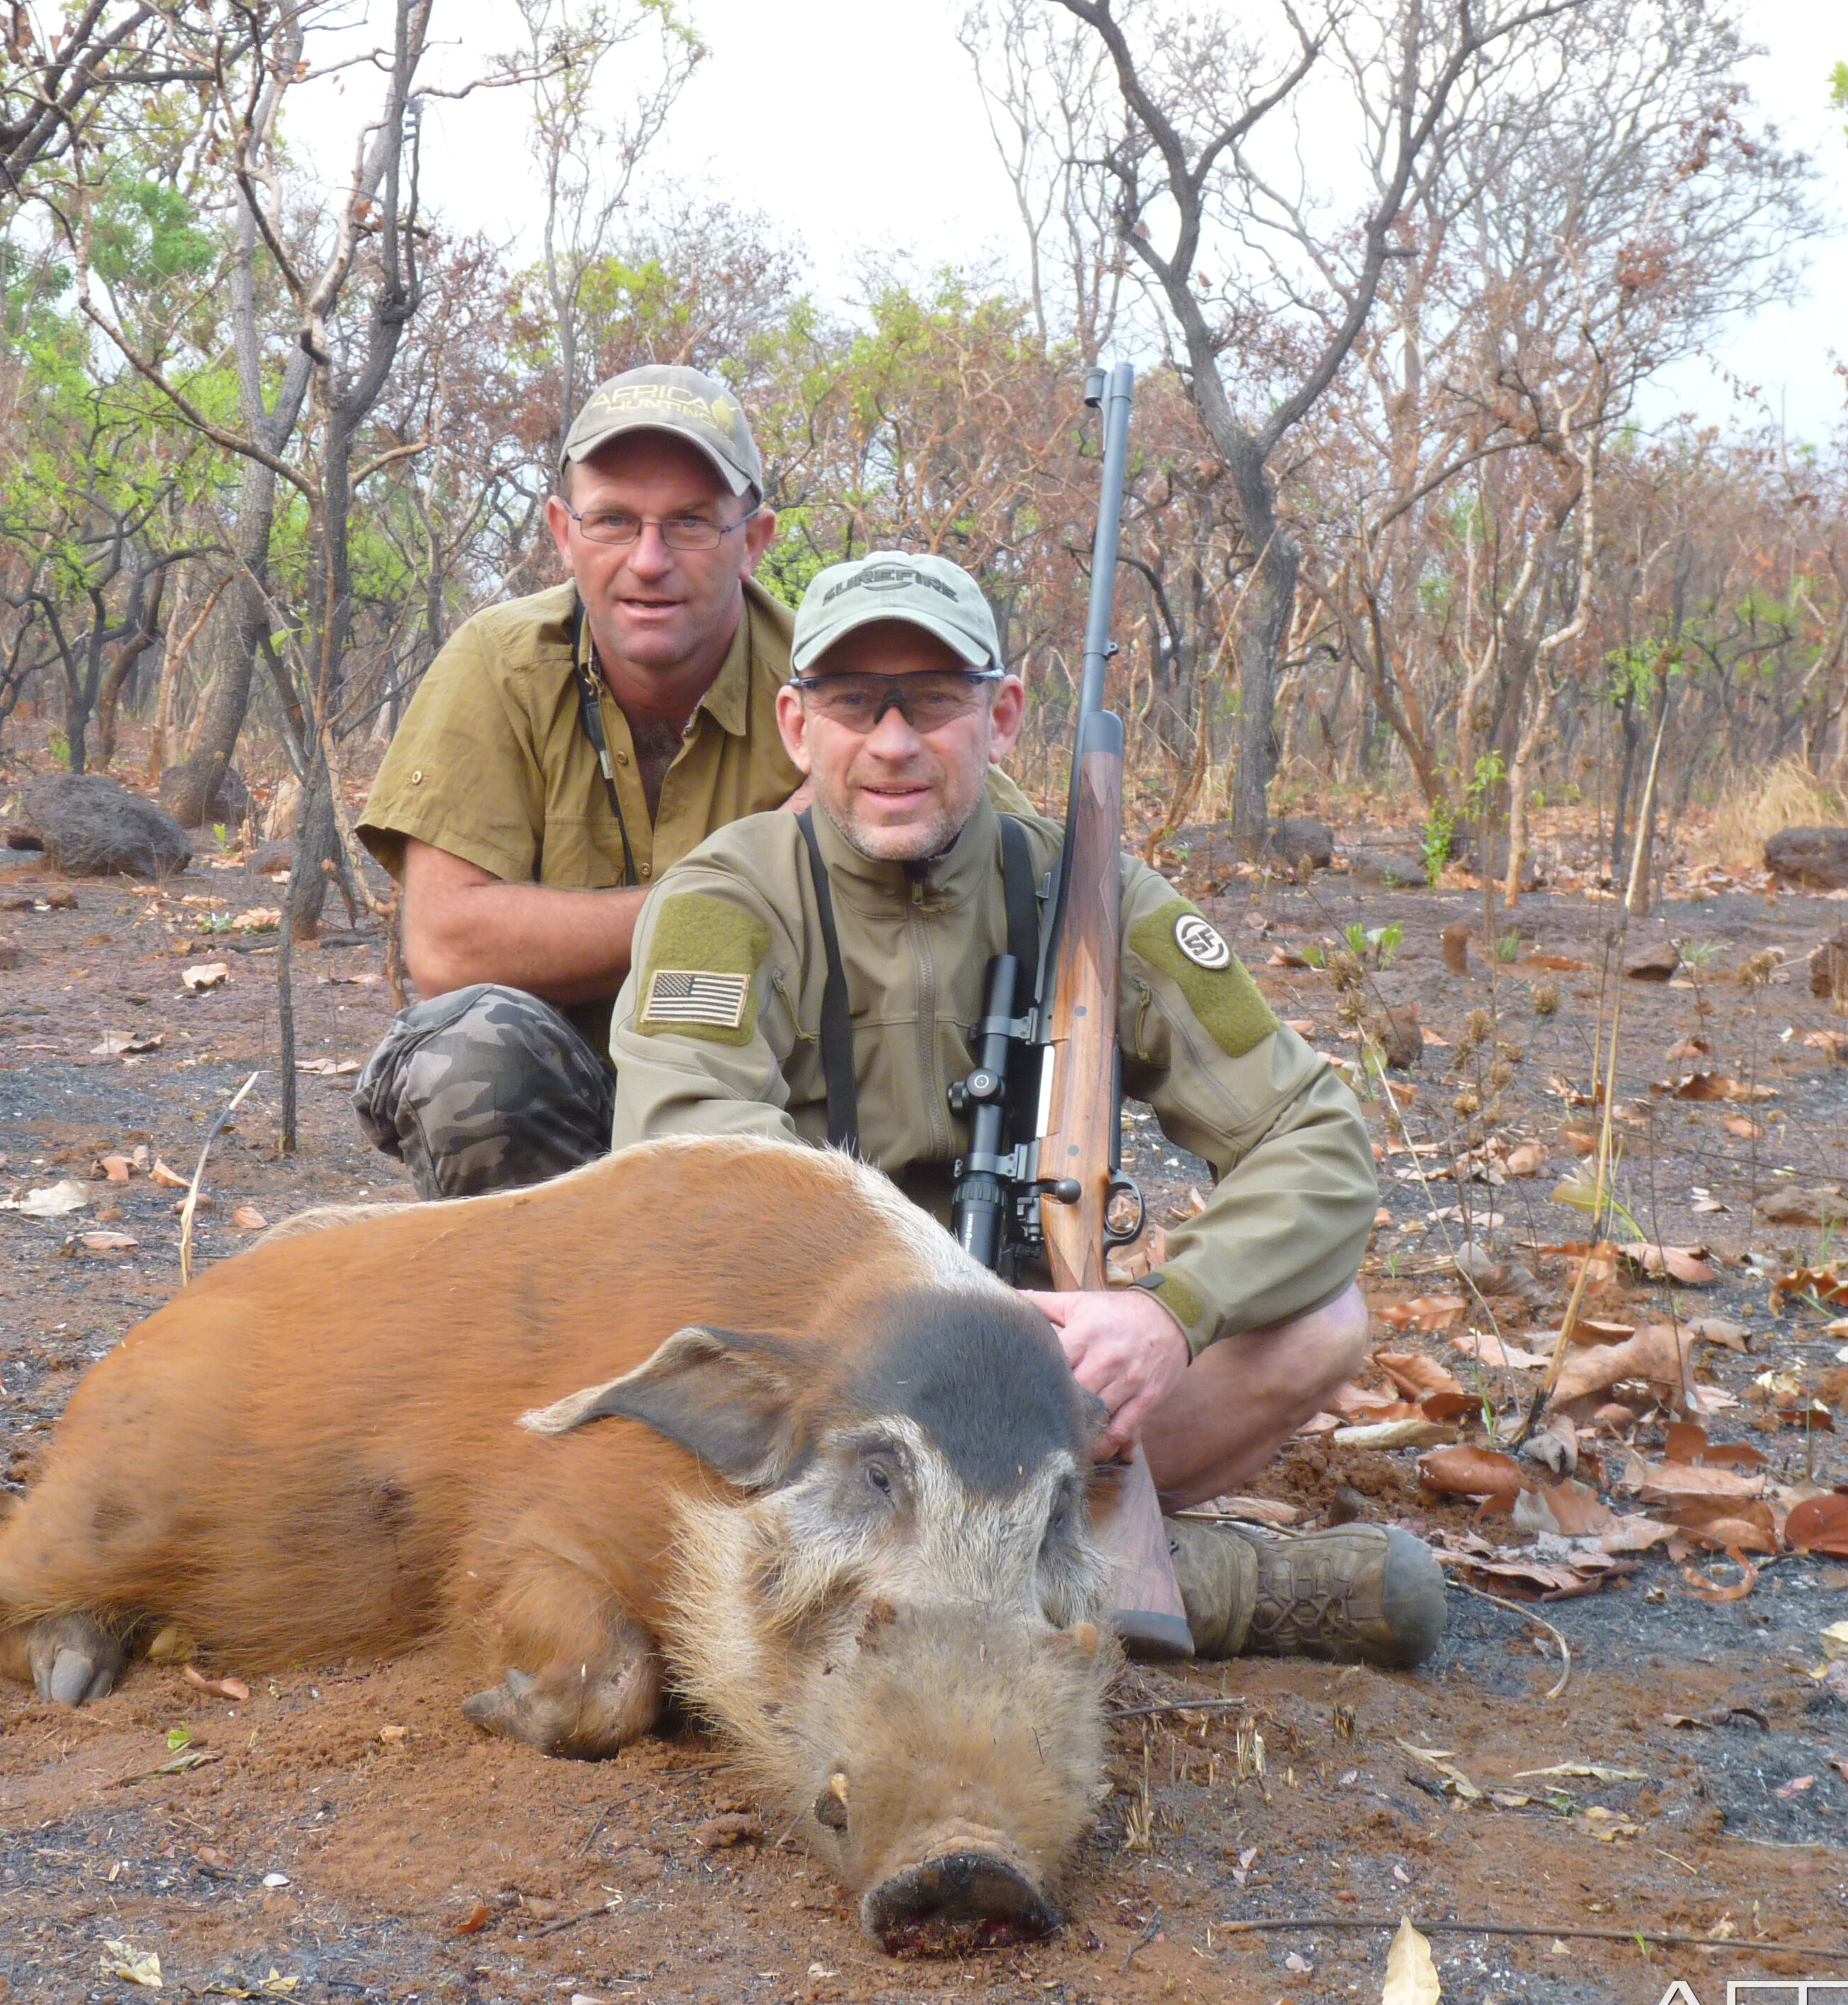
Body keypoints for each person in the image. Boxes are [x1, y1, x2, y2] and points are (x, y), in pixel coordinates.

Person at [604, 551, 1442, 1668]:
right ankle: (1200, 1585)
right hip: (845, 1399)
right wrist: (951, 1316)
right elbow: (688, 1164)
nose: (894, 742)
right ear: (798, 728)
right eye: (856, 703)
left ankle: (1004, 1565)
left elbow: (1318, 1141)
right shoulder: (724, 898)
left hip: (1046, 1399)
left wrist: (1167, 1314)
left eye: (934, 700)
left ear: (1000, 718)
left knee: (1322, 1325)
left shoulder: (1096, 896)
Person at [350, 364, 801, 1199]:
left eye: (693, 524)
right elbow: (447, 946)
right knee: (467, 1052)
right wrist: (751, 894)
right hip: (570, 1113)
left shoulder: (833, 692)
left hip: (772, 1105)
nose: (650, 560)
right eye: (614, 522)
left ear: (756, 540)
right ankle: (529, 1312)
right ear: (563, 533)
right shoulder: (499, 661)